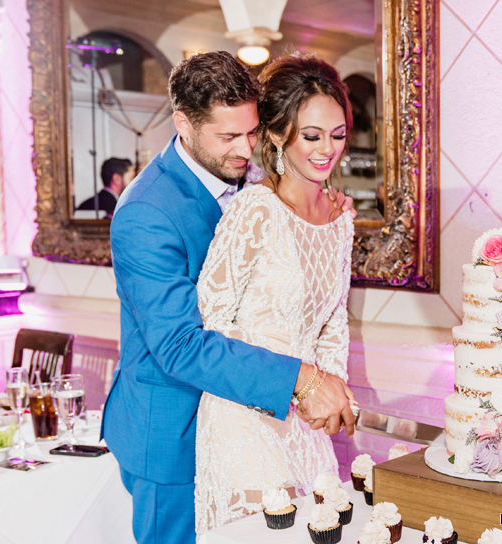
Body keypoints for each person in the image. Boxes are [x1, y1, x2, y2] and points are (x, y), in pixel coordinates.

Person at [100, 51, 356, 544]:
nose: (246, 148)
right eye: (229, 136)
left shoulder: (252, 180)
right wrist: (300, 380)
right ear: (184, 124)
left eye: (254, 131)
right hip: (173, 430)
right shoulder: (145, 213)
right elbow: (179, 345)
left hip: (261, 426)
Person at [194, 53, 355, 535]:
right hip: (243, 420)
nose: (327, 149)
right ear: (278, 136)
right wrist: (291, 386)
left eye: (338, 134)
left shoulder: (342, 218)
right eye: (311, 136)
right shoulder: (253, 211)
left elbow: (334, 322)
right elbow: (210, 326)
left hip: (308, 424)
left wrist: (333, 392)